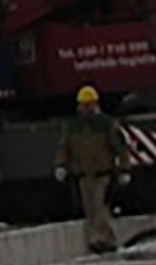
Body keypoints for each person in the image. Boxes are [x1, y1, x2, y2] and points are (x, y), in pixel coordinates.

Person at [55, 84, 130, 254]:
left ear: (95, 104)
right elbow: (65, 147)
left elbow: (121, 147)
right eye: (82, 104)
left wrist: (125, 169)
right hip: (83, 174)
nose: (84, 108)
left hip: (103, 173)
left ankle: (103, 240)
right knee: (90, 209)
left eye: (87, 104)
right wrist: (61, 165)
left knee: (101, 207)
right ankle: (97, 239)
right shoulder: (73, 126)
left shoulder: (106, 124)